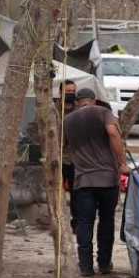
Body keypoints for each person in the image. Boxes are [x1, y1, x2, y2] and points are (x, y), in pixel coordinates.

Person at [65, 88, 129, 276]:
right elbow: (113, 132)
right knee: (106, 221)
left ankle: (85, 267)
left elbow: (62, 146)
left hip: (83, 181)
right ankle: (104, 263)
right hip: (108, 179)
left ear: (78, 102)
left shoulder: (67, 120)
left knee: (84, 222)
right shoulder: (104, 113)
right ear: (93, 100)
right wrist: (123, 163)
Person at [57, 80, 78, 232]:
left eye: (72, 92)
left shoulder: (79, 111)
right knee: (57, 192)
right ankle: (58, 221)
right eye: (68, 92)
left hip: (75, 159)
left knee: (76, 193)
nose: (70, 94)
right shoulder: (54, 110)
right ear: (60, 93)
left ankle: (76, 221)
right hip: (58, 158)